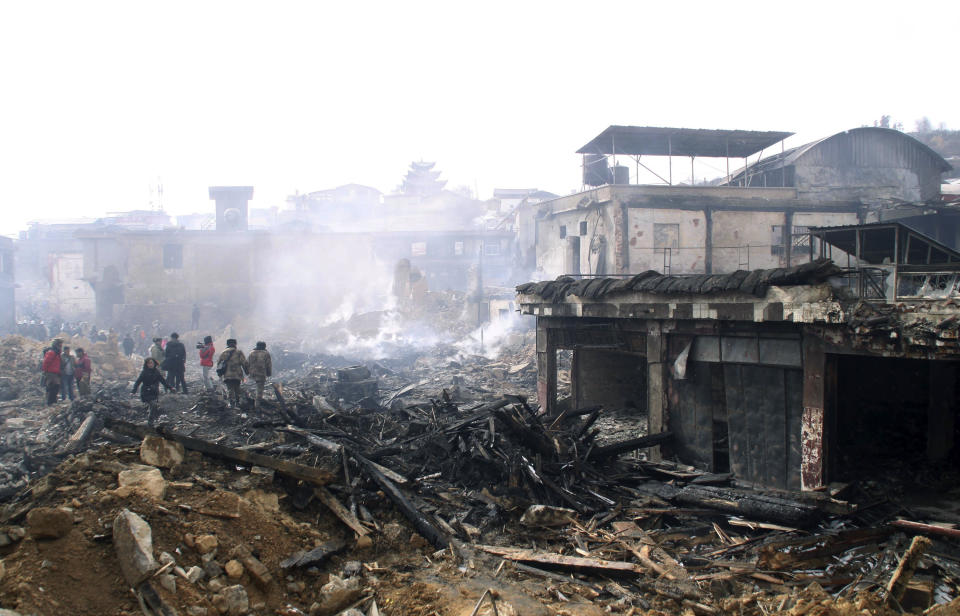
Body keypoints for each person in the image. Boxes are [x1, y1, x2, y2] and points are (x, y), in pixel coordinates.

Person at [132, 358, 169, 425]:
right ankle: (150, 421)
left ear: (154, 363)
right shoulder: (144, 372)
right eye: (149, 363)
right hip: (146, 392)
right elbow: (138, 382)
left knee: (153, 406)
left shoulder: (156, 372)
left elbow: (163, 381)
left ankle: (151, 420)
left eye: (151, 363)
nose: (150, 365)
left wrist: (170, 387)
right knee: (153, 404)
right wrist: (133, 391)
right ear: (146, 364)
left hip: (154, 392)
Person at [218, 338, 248, 408]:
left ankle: (231, 403)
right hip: (237, 374)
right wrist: (247, 372)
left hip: (227, 374)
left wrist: (220, 374)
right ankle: (237, 402)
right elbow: (244, 363)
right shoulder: (239, 352)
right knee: (237, 388)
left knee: (230, 388)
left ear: (227, 344)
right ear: (235, 344)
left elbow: (219, 364)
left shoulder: (223, 352)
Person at [247, 341, 272, 408]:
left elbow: (247, 364)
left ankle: (249, 400)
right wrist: (269, 373)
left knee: (249, 388)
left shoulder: (251, 353)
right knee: (259, 390)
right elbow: (268, 365)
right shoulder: (266, 353)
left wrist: (247, 373)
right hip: (261, 374)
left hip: (252, 374)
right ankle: (257, 405)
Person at [41, 339, 63, 406]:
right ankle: (50, 402)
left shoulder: (57, 353)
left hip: (55, 373)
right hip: (51, 373)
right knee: (53, 387)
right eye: (59, 344)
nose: (60, 346)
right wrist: (45, 372)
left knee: (55, 387)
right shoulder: (52, 352)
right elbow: (46, 362)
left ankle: (52, 401)